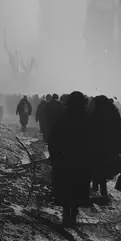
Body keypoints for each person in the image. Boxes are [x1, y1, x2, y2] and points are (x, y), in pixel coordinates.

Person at [48, 90, 91, 228]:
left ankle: (67, 213)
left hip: (64, 159)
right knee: (79, 186)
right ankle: (74, 213)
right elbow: (94, 140)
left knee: (65, 187)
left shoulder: (62, 116)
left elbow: (53, 138)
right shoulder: (87, 118)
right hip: (82, 159)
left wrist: (54, 155)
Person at [89, 95, 121, 201]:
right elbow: (119, 129)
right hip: (109, 146)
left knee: (96, 166)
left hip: (96, 145)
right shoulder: (113, 113)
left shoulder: (94, 114)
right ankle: (103, 190)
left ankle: (96, 186)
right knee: (104, 167)